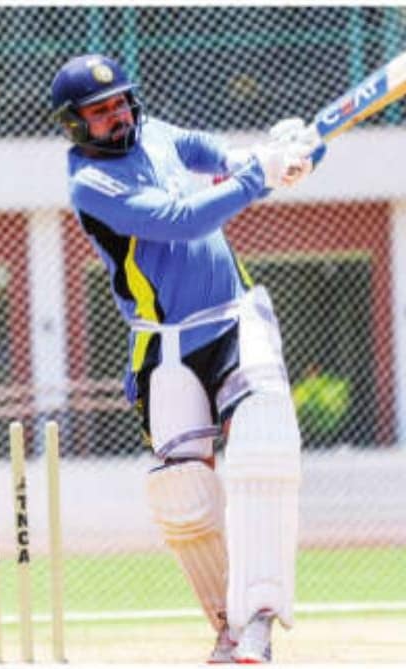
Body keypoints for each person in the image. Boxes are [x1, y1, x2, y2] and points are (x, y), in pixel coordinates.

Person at [51, 54, 325, 664]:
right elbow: (178, 220)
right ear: (75, 124)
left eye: (122, 100)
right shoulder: (91, 186)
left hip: (233, 318)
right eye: (100, 111)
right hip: (164, 343)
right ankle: (227, 628)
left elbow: (214, 153)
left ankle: (258, 623)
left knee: (264, 448)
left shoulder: (158, 135)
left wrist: (288, 152)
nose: (118, 114)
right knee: (184, 496)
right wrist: (260, 177)